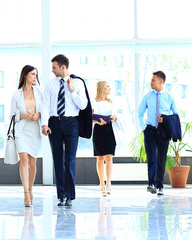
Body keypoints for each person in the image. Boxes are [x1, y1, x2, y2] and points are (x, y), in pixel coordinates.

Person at [42, 54, 88, 207]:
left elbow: (83, 105)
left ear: (63, 67)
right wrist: (44, 123)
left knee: (70, 160)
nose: (52, 71)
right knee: (57, 159)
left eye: (54, 67)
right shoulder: (50, 84)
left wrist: (72, 90)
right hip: (54, 123)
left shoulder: (78, 82)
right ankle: (61, 195)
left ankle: (69, 196)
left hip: (72, 123)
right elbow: (45, 105)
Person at [138, 71, 179, 196]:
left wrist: (165, 119)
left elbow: (175, 115)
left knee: (161, 158)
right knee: (151, 158)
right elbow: (140, 113)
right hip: (150, 130)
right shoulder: (147, 97)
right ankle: (152, 184)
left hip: (163, 131)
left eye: (153, 80)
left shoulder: (169, 97)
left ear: (160, 82)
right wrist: (143, 128)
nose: (151, 82)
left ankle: (160, 186)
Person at [9, 65, 44, 207]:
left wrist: (38, 115)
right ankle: (25, 193)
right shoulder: (16, 94)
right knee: (23, 159)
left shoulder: (39, 92)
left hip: (35, 130)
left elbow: (45, 109)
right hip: (22, 130)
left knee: (32, 163)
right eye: (32, 74)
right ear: (25, 75)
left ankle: (30, 189)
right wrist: (23, 115)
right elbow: (11, 116)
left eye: (36, 74)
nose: (35, 77)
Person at [92, 81, 117, 197]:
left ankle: (109, 184)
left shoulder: (110, 103)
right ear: (102, 88)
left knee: (109, 157)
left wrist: (114, 118)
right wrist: (97, 121)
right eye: (107, 86)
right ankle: (101, 183)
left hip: (109, 130)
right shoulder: (93, 102)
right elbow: (89, 118)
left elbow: (116, 116)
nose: (109, 88)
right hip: (98, 130)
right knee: (100, 158)